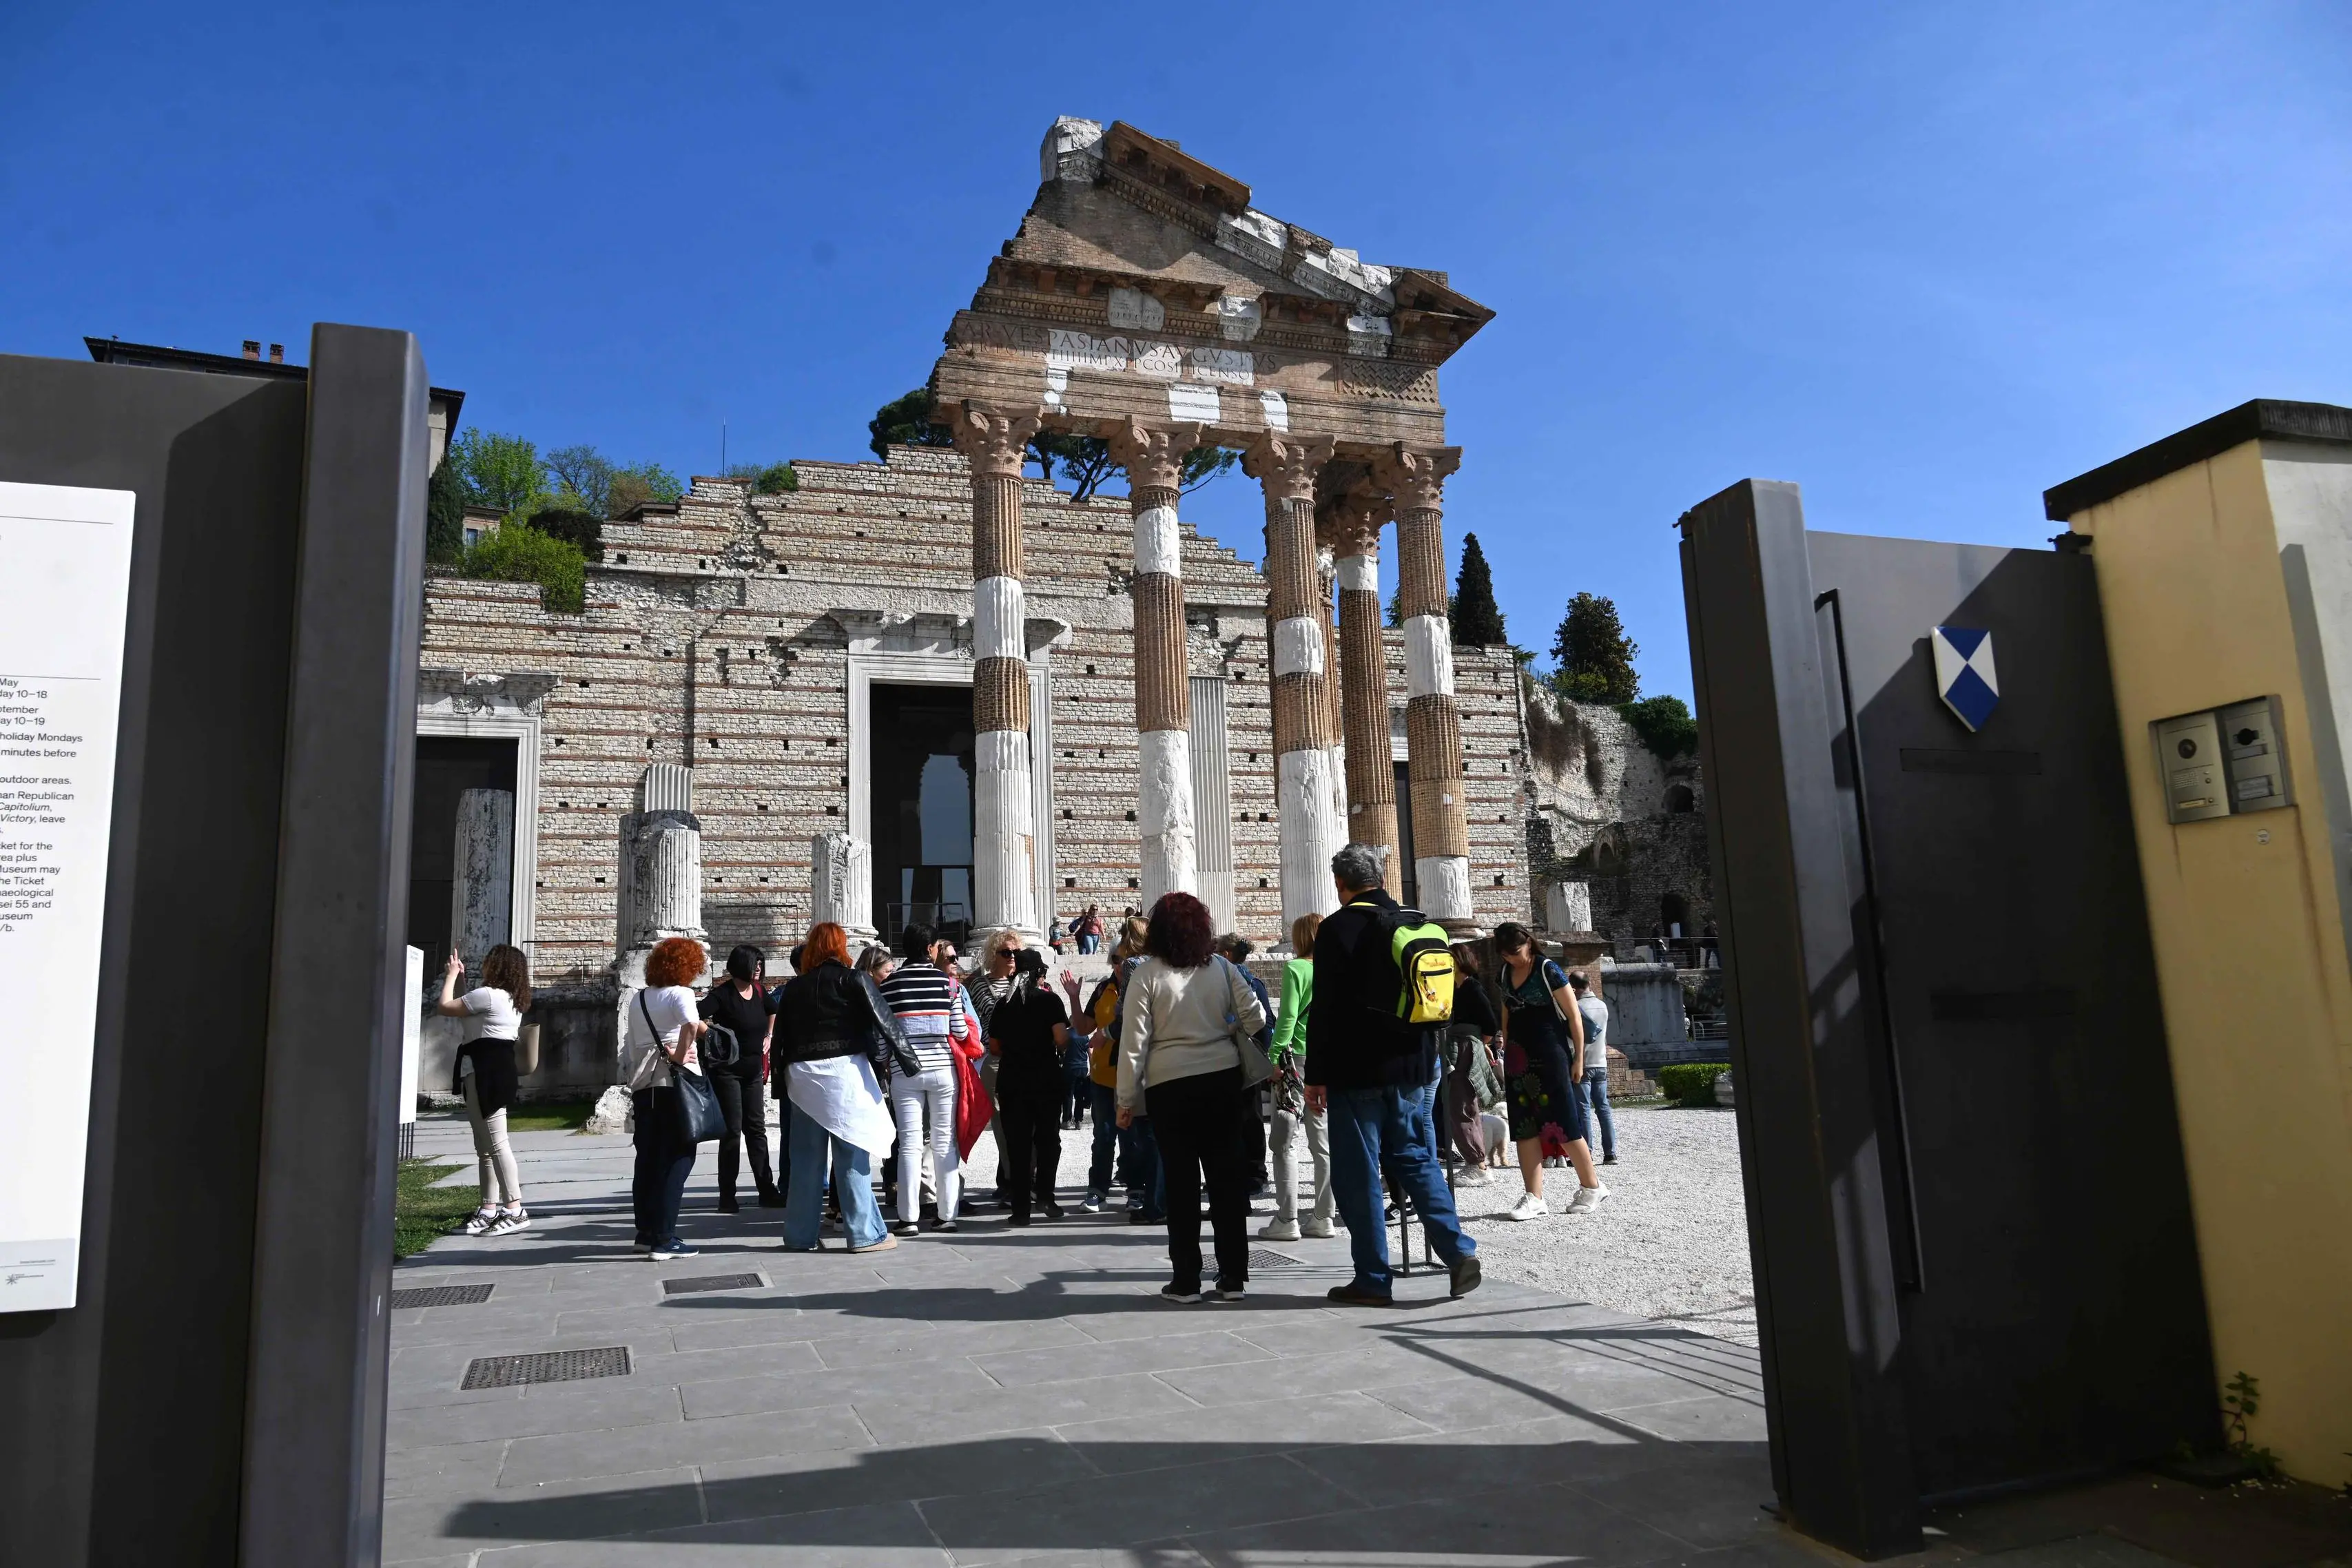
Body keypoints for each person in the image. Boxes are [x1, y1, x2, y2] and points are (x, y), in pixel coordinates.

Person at [1306, 843, 1481, 1306]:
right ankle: (1458, 1251)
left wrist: (1316, 1074)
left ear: (1340, 884)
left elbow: (1324, 1009)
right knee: (1417, 1160)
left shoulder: (1336, 928)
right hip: (1414, 1068)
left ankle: (1372, 1278)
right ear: (1381, 878)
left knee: (1358, 1172)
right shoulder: (1420, 923)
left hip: (1356, 1069)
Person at [1116, 891, 1267, 1303]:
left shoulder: (1146, 974)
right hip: (1221, 1079)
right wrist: (1225, 1025)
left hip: (1169, 1085)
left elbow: (1134, 1044)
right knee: (1226, 1180)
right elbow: (1256, 1016)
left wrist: (1126, 1100)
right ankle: (1233, 1278)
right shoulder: (1220, 966)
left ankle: (1186, 1280)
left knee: (1181, 1184)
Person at [774, 921, 899, 1252]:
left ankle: (800, 1236)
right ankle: (864, 1234)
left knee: (804, 1160)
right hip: (845, 1073)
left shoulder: (795, 987)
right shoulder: (853, 979)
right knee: (852, 1154)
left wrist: (777, 1083)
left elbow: (780, 1040)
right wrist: (909, 1063)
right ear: (841, 947)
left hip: (801, 1077)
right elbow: (885, 1022)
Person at [1494, 922, 1609, 1218]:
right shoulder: (1505, 973)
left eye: (1516, 952)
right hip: (1519, 1057)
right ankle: (1534, 1196)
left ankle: (1592, 1186)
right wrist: (1506, 1048)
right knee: (1523, 1126)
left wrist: (1579, 1059)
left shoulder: (1548, 969)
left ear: (1529, 943)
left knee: (1563, 1121)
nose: (1512, 958)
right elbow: (1506, 1011)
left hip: (1551, 1053)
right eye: (1506, 954)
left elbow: (1574, 1017)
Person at [436, 943, 533, 1237]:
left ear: (498, 966)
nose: (485, 966)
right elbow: (468, 1009)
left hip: (485, 1072)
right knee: (486, 1148)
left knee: (496, 1143)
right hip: (489, 1070)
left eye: (489, 962)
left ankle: (515, 1209)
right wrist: (462, 980)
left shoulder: (489, 996)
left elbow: (445, 1007)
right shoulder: (506, 998)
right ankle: (488, 1208)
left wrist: (451, 975)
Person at [623, 936, 710, 1259]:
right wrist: (679, 1055)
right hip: (675, 1086)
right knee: (679, 1158)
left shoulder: (639, 999)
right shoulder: (681, 993)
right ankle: (665, 1238)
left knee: (647, 1160)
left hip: (644, 1086)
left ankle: (645, 1232)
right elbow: (690, 1024)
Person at [876, 923, 963, 1237]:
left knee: (910, 1144)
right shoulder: (948, 984)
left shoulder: (889, 986)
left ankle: (908, 1218)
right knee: (944, 1142)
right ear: (931, 950)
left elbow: (884, 1036)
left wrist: (886, 1061)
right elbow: (960, 1031)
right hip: (943, 1069)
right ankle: (948, 1214)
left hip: (905, 1072)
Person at [1259, 912, 1334, 1241]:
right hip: (1329, 1061)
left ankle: (1287, 1218)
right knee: (1323, 1144)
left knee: (1284, 1142)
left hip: (1298, 1061)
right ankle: (1323, 1217)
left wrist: (1273, 1057)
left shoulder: (1296, 969)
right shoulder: (1337, 971)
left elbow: (1288, 1018)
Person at [989, 948, 1072, 1224]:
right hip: (1045, 1080)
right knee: (1049, 1141)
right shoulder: (1050, 1002)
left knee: (1018, 1146)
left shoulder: (1003, 1005)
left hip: (1012, 1081)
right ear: (1039, 973)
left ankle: (1020, 1210)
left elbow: (995, 1047)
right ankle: (1046, 1196)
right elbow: (1061, 1039)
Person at [1073, 917, 1148, 1213]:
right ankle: (1097, 1190)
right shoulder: (1103, 990)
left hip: (1132, 1073)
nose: (1120, 964)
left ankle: (1136, 1190)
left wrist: (1108, 1033)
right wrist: (1074, 999)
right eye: (1116, 959)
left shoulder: (1141, 985)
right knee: (1103, 1136)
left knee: (1132, 1138)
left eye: (1124, 959)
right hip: (1103, 1077)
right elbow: (1082, 1028)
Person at [699, 945, 781, 1213]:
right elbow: (693, 1015)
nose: (759, 968)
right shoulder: (722, 995)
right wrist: (713, 1036)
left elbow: (774, 1011)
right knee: (732, 1132)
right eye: (754, 964)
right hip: (727, 1072)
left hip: (753, 1071)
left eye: (761, 964)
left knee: (757, 1131)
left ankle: (767, 1191)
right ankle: (727, 1196)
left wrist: (769, 1036)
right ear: (740, 965)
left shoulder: (759, 992)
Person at [1214, 933, 1275, 1197]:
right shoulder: (1254, 982)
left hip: (1223, 1058)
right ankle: (1255, 1172)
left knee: (1230, 1119)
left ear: (1226, 955)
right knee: (1251, 1118)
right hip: (1247, 1059)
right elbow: (1267, 1022)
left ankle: (1243, 1172)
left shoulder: (1221, 980)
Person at [1443, 944, 1504, 1183]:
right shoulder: (1452, 988)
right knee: (1459, 1105)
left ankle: (1478, 1164)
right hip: (1454, 1046)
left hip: (1466, 1047)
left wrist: (1477, 1045)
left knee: (1463, 1105)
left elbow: (1490, 1024)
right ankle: (1476, 1160)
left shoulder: (1472, 988)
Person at [1570, 971, 1618, 1165]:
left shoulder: (1576, 1007)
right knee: (1603, 1109)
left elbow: (1572, 1039)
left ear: (1574, 988)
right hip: (1601, 1062)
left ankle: (1586, 1153)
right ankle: (1610, 1153)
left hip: (1583, 1063)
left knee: (1583, 1110)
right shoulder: (1603, 1006)